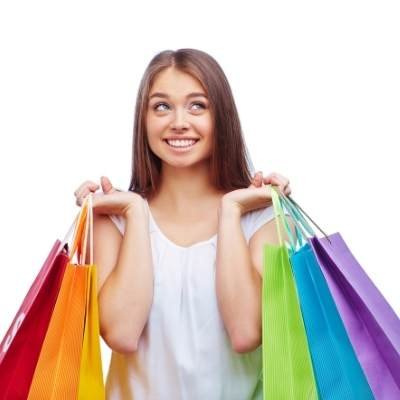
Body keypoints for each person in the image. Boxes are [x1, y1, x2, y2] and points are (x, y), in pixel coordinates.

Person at [74, 48, 293, 400]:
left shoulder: (261, 217)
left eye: (197, 106)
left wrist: (230, 210)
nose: (178, 121)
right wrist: (135, 211)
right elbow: (122, 334)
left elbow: (246, 333)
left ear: (221, 116)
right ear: (143, 120)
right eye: (162, 106)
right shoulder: (113, 221)